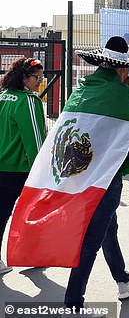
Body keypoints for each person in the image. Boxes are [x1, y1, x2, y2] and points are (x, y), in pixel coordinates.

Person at [64, 36, 129, 308]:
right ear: (122, 69)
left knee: (108, 227)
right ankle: (73, 305)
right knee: (92, 239)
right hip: (105, 177)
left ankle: (122, 279)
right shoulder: (120, 93)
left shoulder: (82, 89)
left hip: (77, 174)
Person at [0, 57, 46, 276]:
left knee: (2, 213)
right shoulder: (28, 101)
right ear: (24, 77)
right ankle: (33, 255)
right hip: (21, 169)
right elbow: (35, 142)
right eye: (37, 77)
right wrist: (42, 172)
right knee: (34, 213)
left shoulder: (2, 97)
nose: (40, 81)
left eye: (42, 77)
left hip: (3, 167)